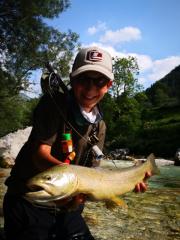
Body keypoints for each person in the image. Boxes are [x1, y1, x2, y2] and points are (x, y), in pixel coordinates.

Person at [3, 46, 151, 240]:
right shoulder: (53, 104)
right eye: (84, 79)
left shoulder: (100, 126)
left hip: (66, 207)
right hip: (28, 201)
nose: (91, 88)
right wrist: (72, 179)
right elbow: (40, 154)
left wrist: (78, 199)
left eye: (99, 81)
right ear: (72, 79)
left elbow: (93, 174)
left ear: (109, 85)